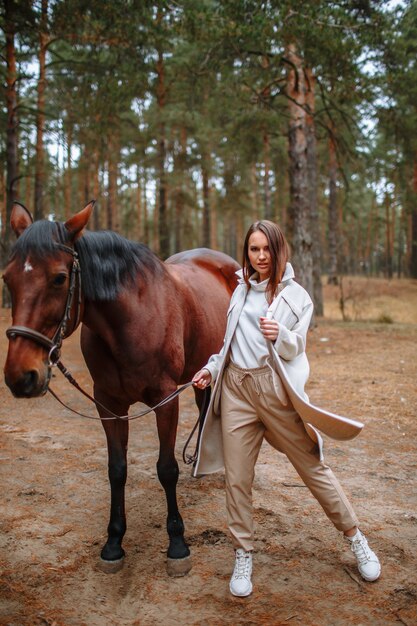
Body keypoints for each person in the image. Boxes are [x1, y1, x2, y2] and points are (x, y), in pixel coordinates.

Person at [192, 220, 381, 598]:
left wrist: (282, 336)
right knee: (238, 479)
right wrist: (211, 370)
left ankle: (356, 537)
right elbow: (228, 345)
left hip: (275, 391)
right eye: (253, 249)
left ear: (279, 251)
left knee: (312, 465)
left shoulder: (298, 297)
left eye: (266, 249)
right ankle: (243, 552)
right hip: (236, 392)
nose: (260, 257)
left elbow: (298, 347)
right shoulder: (239, 291)